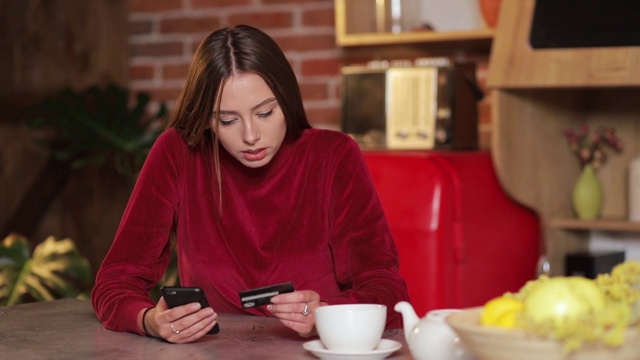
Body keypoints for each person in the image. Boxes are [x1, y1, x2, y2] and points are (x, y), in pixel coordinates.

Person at [91, 24, 410, 344]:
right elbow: (114, 282)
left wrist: (326, 313)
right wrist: (151, 321)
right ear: (205, 119)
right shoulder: (178, 153)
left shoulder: (333, 155)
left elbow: (385, 287)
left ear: (286, 100)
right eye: (227, 120)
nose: (250, 136)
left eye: (265, 113)